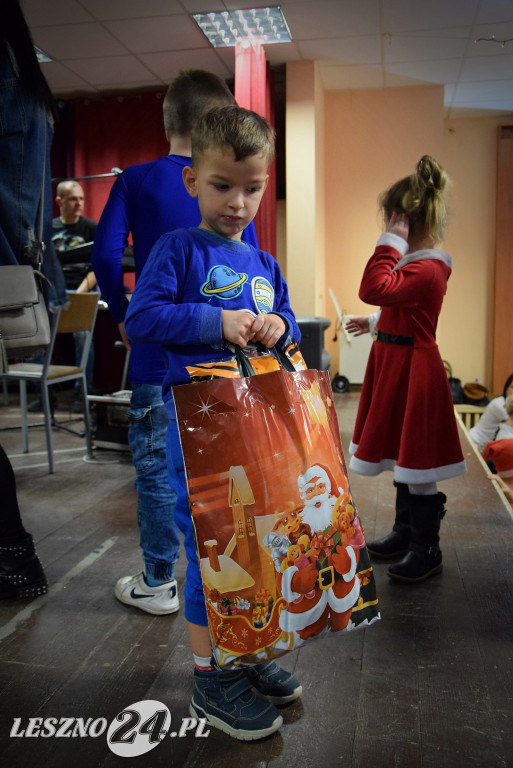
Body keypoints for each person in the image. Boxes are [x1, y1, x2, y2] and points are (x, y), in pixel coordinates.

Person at [124, 105, 302, 740]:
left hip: (255, 432)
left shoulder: (262, 260)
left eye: (252, 187)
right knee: (212, 555)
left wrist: (281, 326)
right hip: (197, 431)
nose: (238, 201)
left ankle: (245, 653)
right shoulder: (178, 248)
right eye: (223, 184)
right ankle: (210, 678)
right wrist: (213, 322)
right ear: (191, 181)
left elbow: (285, 318)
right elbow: (140, 321)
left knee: (254, 548)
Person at [92, 70, 257, 616]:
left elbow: (104, 256)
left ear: (168, 120)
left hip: (156, 357)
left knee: (158, 473)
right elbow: (248, 271)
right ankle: (224, 579)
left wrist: (123, 313)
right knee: (220, 474)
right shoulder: (232, 194)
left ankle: (159, 581)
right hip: (219, 367)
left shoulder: (133, 179)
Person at [346, 155, 467, 584]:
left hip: (415, 370)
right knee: (403, 456)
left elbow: (373, 287)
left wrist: (388, 244)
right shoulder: (418, 267)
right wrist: (376, 321)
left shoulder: (429, 267)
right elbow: (401, 305)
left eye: (393, 221)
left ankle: (426, 546)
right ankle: (404, 533)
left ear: (404, 220)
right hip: (397, 361)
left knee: (417, 462)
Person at [0, 0, 69, 598]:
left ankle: (15, 559)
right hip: (20, 278)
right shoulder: (27, 78)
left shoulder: (4, 79)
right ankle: (14, 557)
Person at [468, 373, 513, 451]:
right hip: (475, 443)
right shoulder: (500, 403)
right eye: (512, 387)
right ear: (506, 387)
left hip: (486, 447)